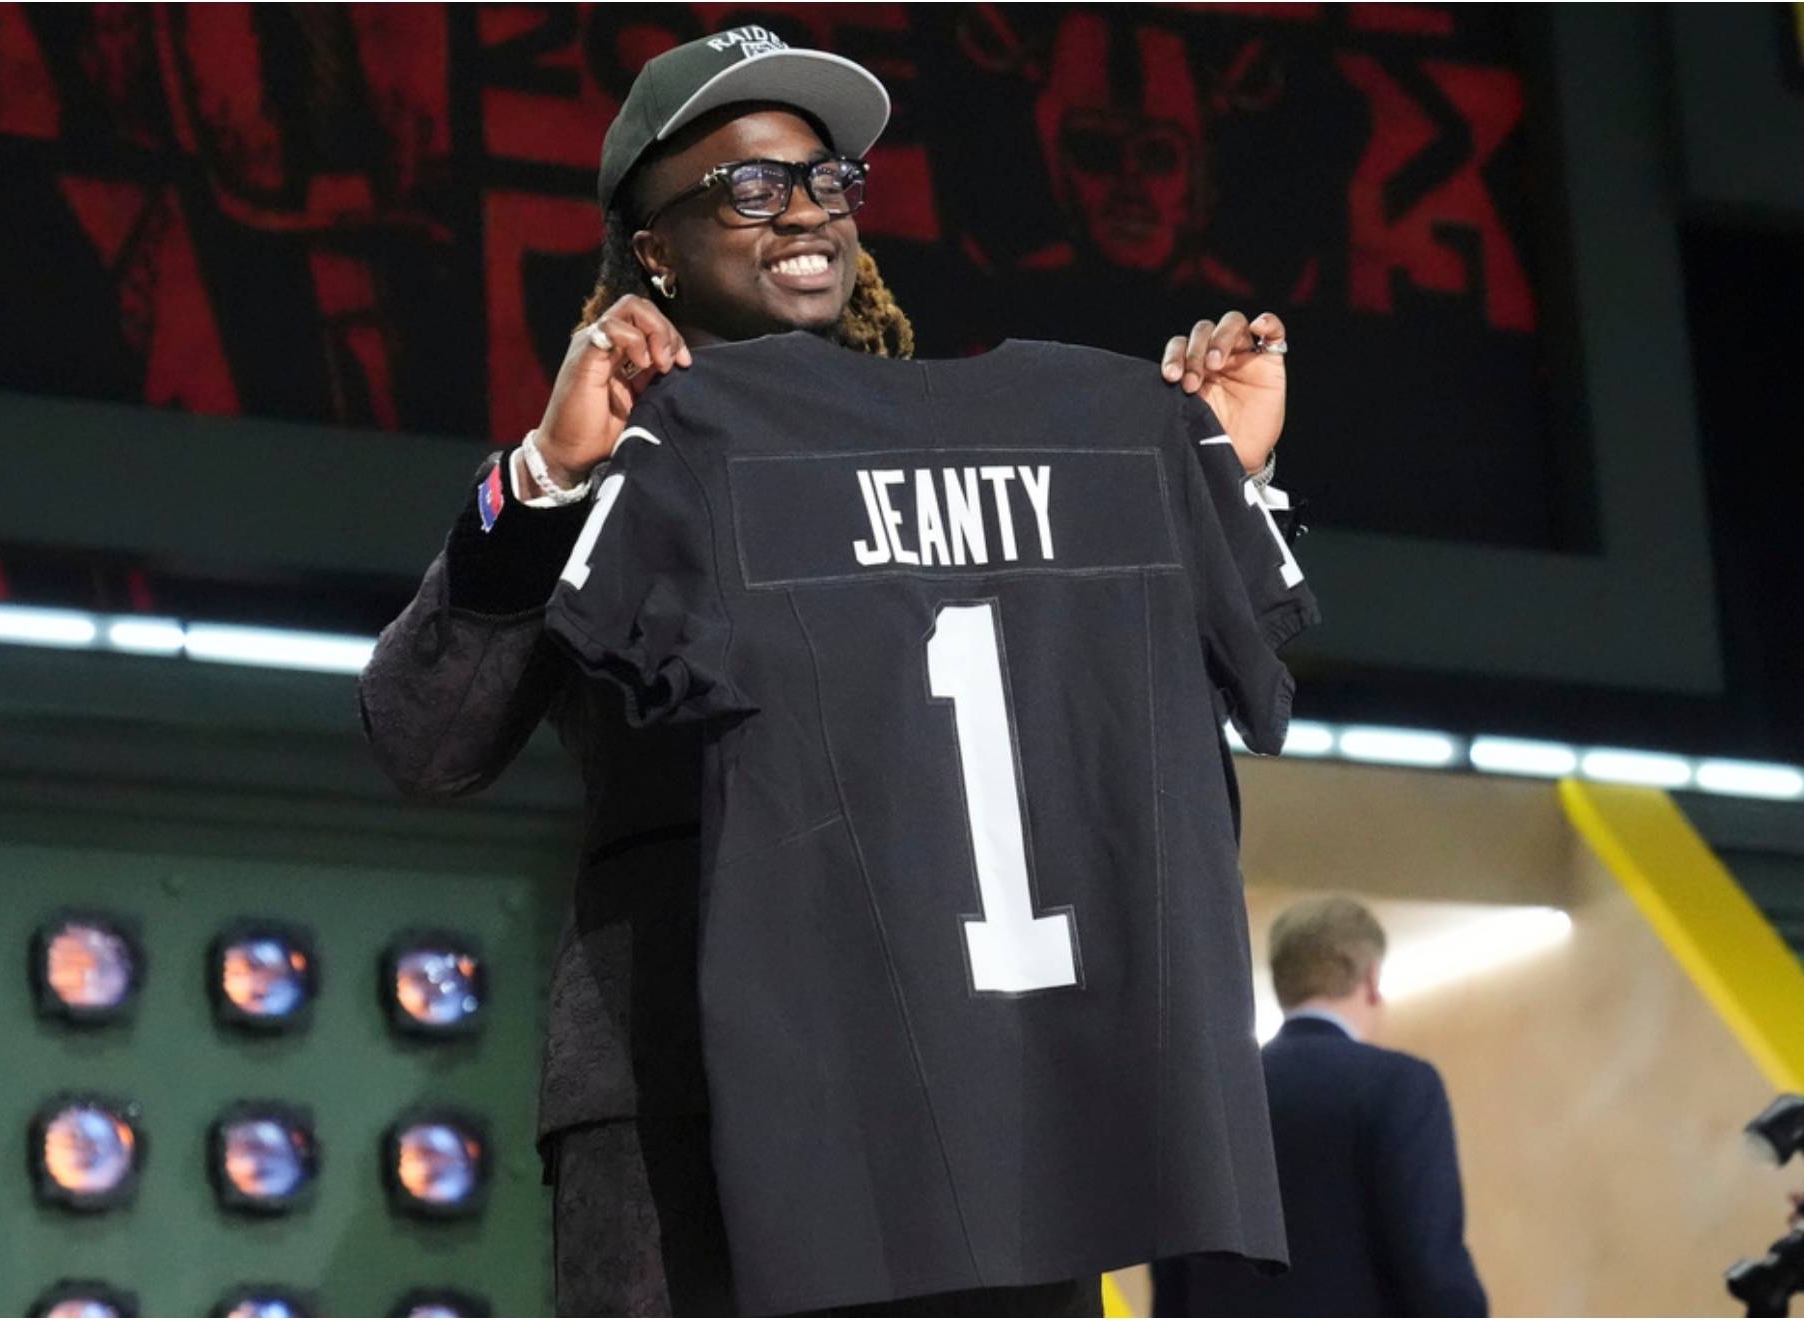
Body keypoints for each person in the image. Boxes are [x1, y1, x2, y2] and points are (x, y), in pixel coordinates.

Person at [360, 25, 1305, 1318]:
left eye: (827, 180)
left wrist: (1212, 478)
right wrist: (548, 478)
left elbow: (1145, 723)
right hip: (684, 1096)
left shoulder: (996, 450)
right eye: (752, 186)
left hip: (973, 1084)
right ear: (652, 247)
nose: (806, 212)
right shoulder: (606, 456)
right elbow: (426, 741)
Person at [1153, 895, 1488, 1318]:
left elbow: (1173, 1281)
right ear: (1372, 981)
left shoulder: (1204, 1099)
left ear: (1282, 982)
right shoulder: (1399, 1086)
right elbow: (1432, 1265)